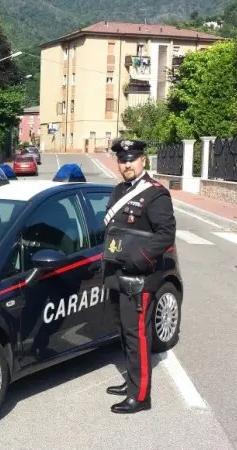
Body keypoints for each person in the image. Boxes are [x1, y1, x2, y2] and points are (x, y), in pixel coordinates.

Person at [101, 139, 176, 414]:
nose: (127, 164)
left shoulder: (155, 194)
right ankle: (132, 381)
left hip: (140, 276)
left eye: (132, 158)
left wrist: (138, 260)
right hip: (117, 273)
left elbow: (166, 234)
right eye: (122, 159)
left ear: (143, 160)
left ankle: (141, 396)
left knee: (137, 336)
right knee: (124, 331)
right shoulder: (120, 190)